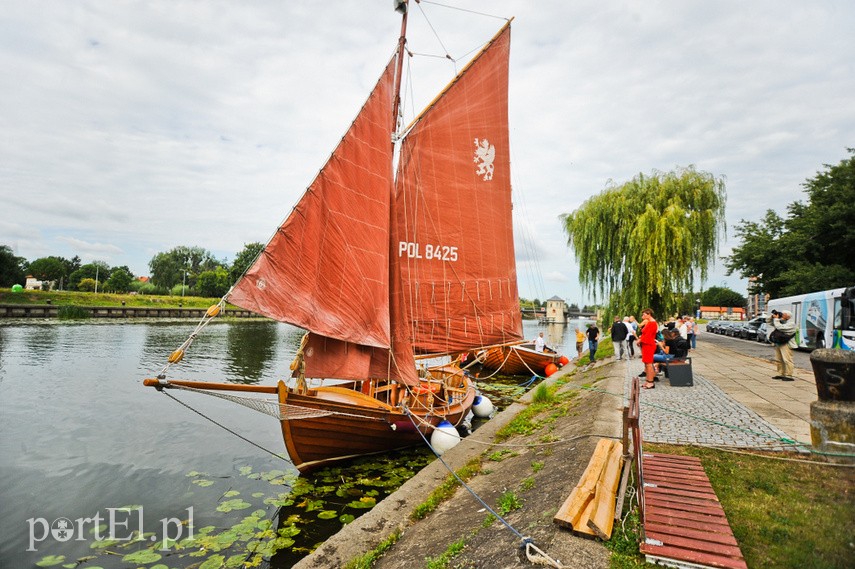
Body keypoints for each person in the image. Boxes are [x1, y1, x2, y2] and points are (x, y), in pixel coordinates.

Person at [767, 309, 797, 381]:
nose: (781, 315)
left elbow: (780, 327)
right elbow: (768, 322)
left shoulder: (791, 324)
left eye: (783, 314)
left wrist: (777, 319)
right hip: (778, 343)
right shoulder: (780, 321)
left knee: (787, 360)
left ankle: (789, 375)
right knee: (779, 359)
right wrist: (772, 317)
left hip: (786, 344)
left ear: (788, 316)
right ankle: (781, 373)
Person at [637, 308, 658, 389]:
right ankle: (647, 380)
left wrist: (640, 340)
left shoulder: (652, 323)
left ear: (648, 314)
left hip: (648, 345)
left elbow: (648, 336)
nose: (642, 316)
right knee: (646, 363)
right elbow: (645, 334)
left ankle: (651, 382)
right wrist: (641, 340)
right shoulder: (649, 323)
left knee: (649, 364)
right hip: (646, 344)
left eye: (644, 314)